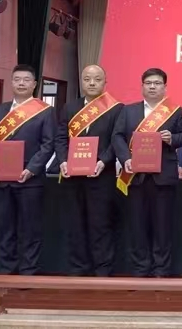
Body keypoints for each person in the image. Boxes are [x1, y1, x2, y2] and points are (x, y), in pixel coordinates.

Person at [112, 68, 182, 278]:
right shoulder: (128, 111)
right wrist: (126, 159)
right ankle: (140, 269)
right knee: (137, 225)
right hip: (135, 176)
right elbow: (117, 137)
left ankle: (161, 270)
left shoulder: (176, 111)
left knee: (163, 226)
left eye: (157, 83)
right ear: (142, 86)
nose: (153, 87)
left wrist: (172, 138)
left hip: (163, 177)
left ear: (165, 87)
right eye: (149, 83)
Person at [0, 64, 56, 275]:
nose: (21, 83)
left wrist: (32, 169)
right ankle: (7, 269)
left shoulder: (45, 111)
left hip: (29, 180)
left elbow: (48, 144)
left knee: (30, 228)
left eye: (26, 80)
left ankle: (28, 271)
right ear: (11, 83)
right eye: (17, 79)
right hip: (1, 179)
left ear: (34, 84)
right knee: (5, 228)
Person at [55, 65, 123, 276]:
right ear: (81, 82)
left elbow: (117, 140)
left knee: (100, 223)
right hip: (72, 177)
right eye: (87, 79)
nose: (92, 83)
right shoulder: (69, 107)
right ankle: (79, 268)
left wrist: (103, 161)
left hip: (101, 176)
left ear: (105, 82)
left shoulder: (116, 109)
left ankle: (103, 269)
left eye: (97, 79)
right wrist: (63, 161)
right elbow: (61, 138)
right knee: (75, 223)